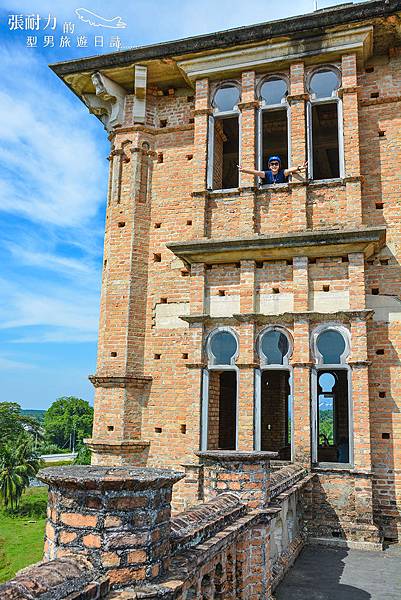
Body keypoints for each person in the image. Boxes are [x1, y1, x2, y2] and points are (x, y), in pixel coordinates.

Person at [238, 155, 307, 184]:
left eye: (276, 164)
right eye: (272, 164)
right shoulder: (267, 174)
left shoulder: (282, 172)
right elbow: (256, 172)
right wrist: (243, 170)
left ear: (279, 166)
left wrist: (301, 167)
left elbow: (290, 170)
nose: (274, 166)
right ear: (269, 166)